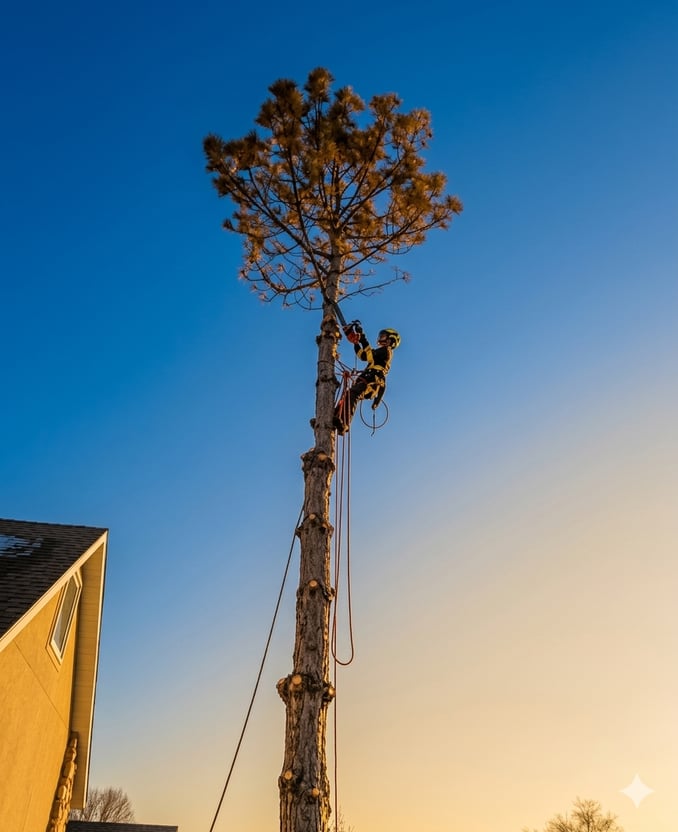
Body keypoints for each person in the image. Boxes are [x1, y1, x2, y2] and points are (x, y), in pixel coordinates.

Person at [333, 324, 401, 434]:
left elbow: (368, 355)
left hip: (371, 382)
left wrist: (362, 337)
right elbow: (362, 355)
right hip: (366, 381)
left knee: (353, 394)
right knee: (349, 395)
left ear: (390, 340)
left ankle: (344, 424)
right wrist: (356, 343)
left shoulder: (386, 351)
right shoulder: (379, 354)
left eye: (384, 336)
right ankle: (333, 418)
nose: (380, 338)